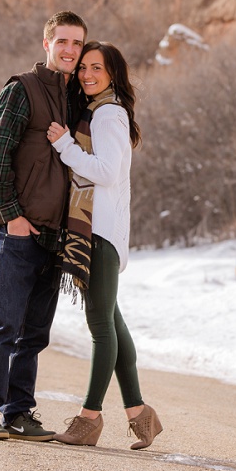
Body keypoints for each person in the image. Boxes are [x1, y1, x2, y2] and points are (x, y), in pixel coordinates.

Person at [0, 11, 88, 441]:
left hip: (56, 238)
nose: (70, 50)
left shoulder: (76, 99)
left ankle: (18, 412)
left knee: (35, 334)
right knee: (4, 326)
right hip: (19, 231)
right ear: (47, 44)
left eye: (77, 43)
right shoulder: (23, 89)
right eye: (63, 41)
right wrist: (13, 217)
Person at [45, 41, 163, 449]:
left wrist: (64, 146)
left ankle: (89, 418)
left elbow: (107, 173)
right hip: (100, 229)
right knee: (111, 321)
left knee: (100, 326)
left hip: (99, 231)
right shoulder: (102, 112)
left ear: (113, 73)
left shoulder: (108, 114)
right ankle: (139, 413)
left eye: (97, 67)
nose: (87, 74)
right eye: (83, 68)